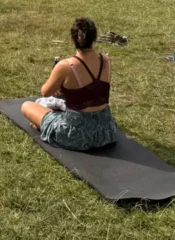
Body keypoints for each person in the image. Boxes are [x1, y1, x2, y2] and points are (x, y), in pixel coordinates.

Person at [20, 18, 119, 151]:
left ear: (72, 39)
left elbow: (45, 92)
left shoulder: (66, 66)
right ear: (95, 39)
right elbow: (95, 90)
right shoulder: (106, 60)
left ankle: (43, 124)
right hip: (107, 131)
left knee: (27, 106)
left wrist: (61, 86)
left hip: (76, 135)